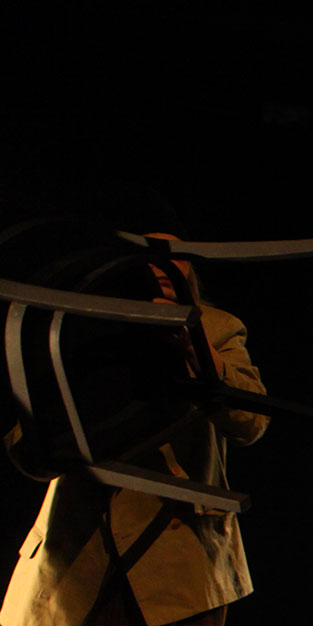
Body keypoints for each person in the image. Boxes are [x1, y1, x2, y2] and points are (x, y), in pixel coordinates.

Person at [3, 233, 270, 626]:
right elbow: (28, 442)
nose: (163, 265)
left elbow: (251, 422)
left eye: (175, 255)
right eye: (149, 255)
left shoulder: (216, 326)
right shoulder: (80, 325)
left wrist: (193, 347)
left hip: (177, 553)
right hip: (76, 550)